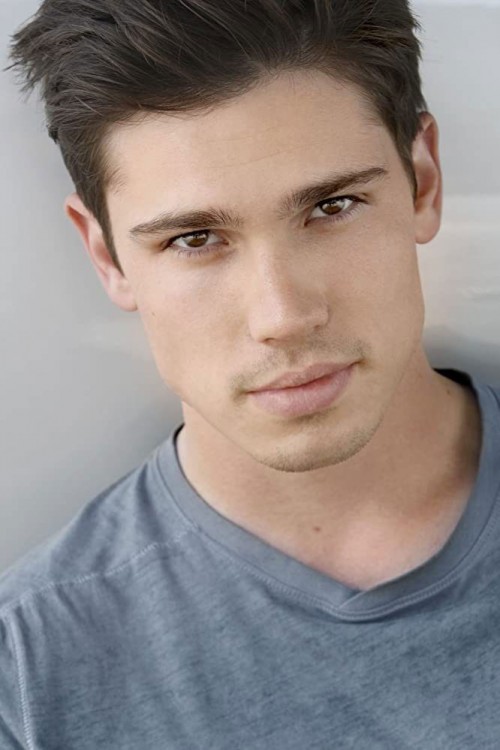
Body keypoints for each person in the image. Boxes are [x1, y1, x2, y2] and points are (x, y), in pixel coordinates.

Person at [1, 0, 498, 747]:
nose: (283, 316)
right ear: (106, 255)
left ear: (422, 180)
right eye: (194, 238)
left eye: (333, 206)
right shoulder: (27, 677)